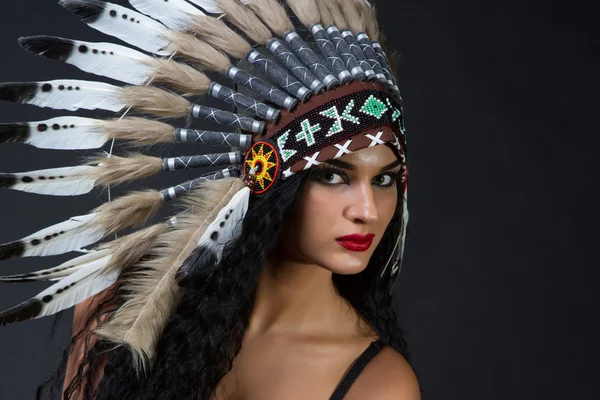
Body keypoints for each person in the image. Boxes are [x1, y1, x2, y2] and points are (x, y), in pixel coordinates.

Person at [0, 0, 420, 398]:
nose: (366, 211)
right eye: (332, 176)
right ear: (270, 179)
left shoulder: (378, 385)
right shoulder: (119, 317)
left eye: (384, 180)